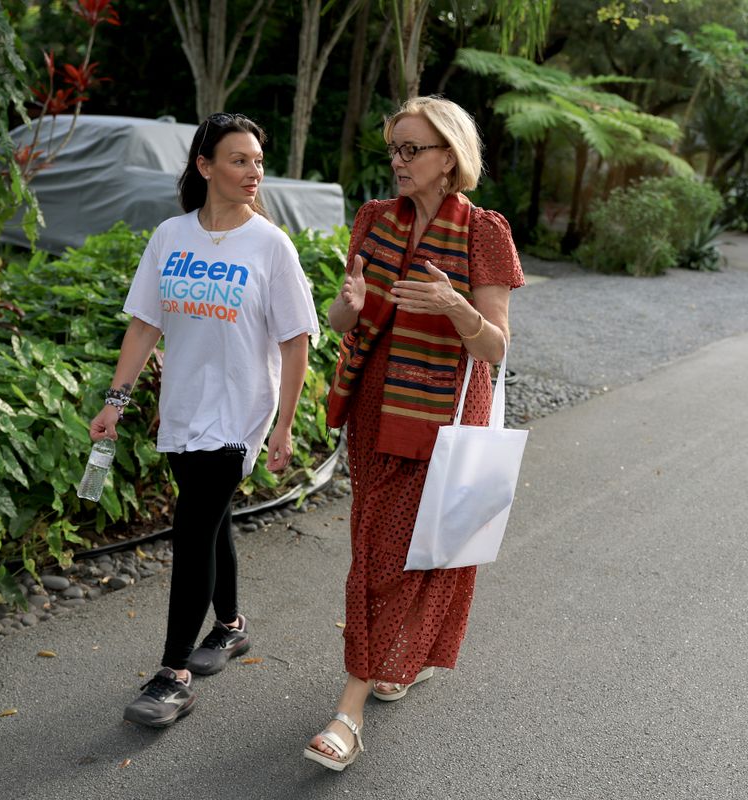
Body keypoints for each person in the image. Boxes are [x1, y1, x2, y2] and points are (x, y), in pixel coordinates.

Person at [304, 96, 525, 770]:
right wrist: (345, 307)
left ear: (449, 157)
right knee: (381, 545)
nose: (398, 162)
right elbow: (346, 322)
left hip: (443, 413)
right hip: (376, 407)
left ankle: (348, 713)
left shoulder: (484, 231)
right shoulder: (374, 220)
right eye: (393, 149)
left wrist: (453, 304)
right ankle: (399, 657)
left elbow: (494, 345)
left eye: (412, 150)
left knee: (394, 556)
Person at [88, 112, 319, 728]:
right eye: (239, 160)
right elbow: (144, 325)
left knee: (191, 531)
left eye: (257, 161)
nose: (253, 172)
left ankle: (172, 673)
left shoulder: (271, 244)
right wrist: (116, 400)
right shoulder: (171, 236)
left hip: (241, 412)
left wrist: (284, 425)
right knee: (209, 521)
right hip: (184, 408)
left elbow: (296, 341)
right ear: (205, 166)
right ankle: (233, 626)